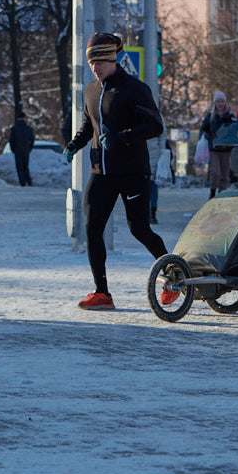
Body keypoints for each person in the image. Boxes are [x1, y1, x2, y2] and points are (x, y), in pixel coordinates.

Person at [64, 33, 169, 310]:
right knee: (92, 228)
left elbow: (155, 126)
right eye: (91, 63)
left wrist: (121, 138)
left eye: (100, 62)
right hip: (101, 172)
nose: (95, 67)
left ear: (112, 59)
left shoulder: (134, 89)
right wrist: (74, 144)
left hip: (132, 171)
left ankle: (173, 278)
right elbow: (90, 126)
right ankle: (102, 293)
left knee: (140, 229)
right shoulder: (91, 90)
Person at [200, 91, 235, 198]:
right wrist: (209, 136)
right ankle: (212, 191)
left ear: (225, 102)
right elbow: (203, 130)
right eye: (218, 101)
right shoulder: (210, 116)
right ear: (215, 103)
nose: (220, 104)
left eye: (222, 101)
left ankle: (222, 194)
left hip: (226, 149)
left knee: (225, 174)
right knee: (215, 172)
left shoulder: (230, 116)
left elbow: (234, 130)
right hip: (214, 149)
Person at [8, 115, 35, 187]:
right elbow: (32, 140)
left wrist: (13, 149)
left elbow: (11, 141)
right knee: (26, 166)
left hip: (17, 151)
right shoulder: (29, 129)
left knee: (19, 167)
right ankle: (29, 181)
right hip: (26, 151)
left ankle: (22, 182)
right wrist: (29, 148)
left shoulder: (14, 129)